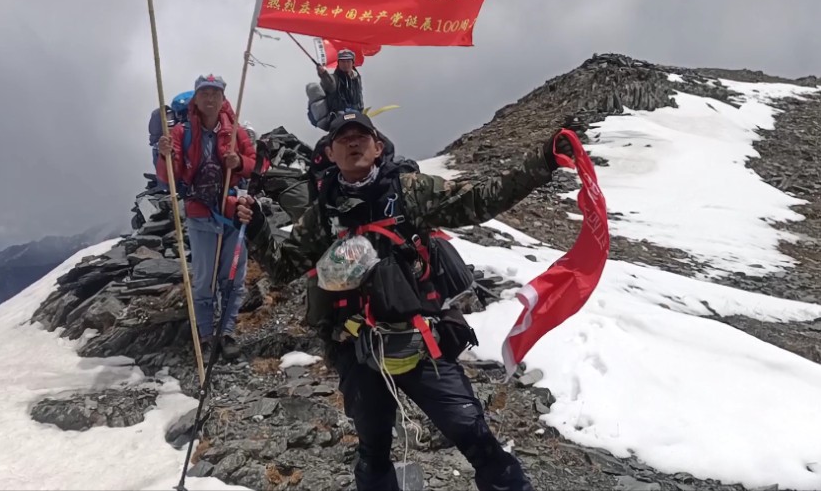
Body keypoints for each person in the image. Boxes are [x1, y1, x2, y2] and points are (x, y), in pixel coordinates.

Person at [235, 112, 576, 491]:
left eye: (361, 136)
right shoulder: (322, 214)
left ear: (378, 147)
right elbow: (283, 269)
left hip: (422, 339)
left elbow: (480, 201)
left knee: (472, 433)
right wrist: (256, 228)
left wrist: (542, 161)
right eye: (343, 139)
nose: (353, 143)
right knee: (374, 447)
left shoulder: (411, 191)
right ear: (330, 153)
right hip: (356, 347)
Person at [156, 74, 256, 361]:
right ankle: (206, 334)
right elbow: (169, 178)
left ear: (223, 98)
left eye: (215, 93)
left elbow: (257, 164)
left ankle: (226, 332)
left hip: (232, 213)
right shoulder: (180, 134)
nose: (210, 98)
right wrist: (164, 157)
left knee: (233, 278)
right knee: (203, 281)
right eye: (204, 93)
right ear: (196, 99)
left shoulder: (236, 131)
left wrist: (240, 163)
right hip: (200, 214)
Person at [317, 49, 364, 114]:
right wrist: (323, 74)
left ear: (353, 63)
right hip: (338, 117)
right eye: (342, 61)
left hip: (356, 115)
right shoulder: (334, 78)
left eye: (348, 61)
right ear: (338, 63)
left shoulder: (357, 79)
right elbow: (329, 83)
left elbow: (360, 97)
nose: (345, 64)